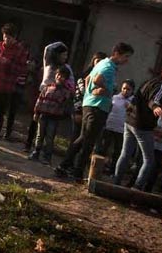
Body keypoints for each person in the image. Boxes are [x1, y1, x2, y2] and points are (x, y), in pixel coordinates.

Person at [56, 42, 134, 181]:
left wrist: (89, 95)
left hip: (91, 105)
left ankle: (68, 167)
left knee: (85, 138)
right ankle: (73, 170)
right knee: (87, 140)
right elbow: (97, 81)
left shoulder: (103, 63)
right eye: (126, 56)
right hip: (97, 107)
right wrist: (103, 91)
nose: (127, 60)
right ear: (117, 54)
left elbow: (87, 79)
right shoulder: (109, 67)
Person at [113, 61, 162, 191]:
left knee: (125, 154)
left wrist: (131, 111)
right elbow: (154, 100)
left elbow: (136, 97)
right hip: (141, 125)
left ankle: (115, 182)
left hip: (130, 121)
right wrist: (156, 107)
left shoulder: (149, 81)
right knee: (149, 159)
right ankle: (137, 187)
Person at [0, 23, 28, 148]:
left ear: (15, 37)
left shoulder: (20, 51)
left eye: (9, 37)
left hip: (6, 87)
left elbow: (22, 69)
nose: (6, 40)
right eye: (5, 36)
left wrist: (8, 63)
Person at [29, 68, 73, 165]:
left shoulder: (66, 92)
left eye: (62, 76)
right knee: (39, 135)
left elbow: (65, 104)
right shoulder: (48, 87)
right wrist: (36, 112)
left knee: (49, 136)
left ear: (66, 79)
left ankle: (47, 156)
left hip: (54, 117)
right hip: (43, 114)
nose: (59, 77)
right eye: (58, 75)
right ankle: (36, 152)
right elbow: (40, 100)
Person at [95, 80, 135, 175]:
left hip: (122, 130)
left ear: (132, 90)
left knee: (117, 151)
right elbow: (108, 109)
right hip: (110, 126)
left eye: (128, 89)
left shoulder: (133, 102)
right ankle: (98, 168)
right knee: (103, 148)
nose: (125, 91)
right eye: (124, 88)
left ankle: (113, 171)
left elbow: (135, 116)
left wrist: (131, 108)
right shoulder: (115, 97)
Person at [71, 52, 107, 144]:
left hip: (95, 113)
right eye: (98, 61)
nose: (99, 64)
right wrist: (78, 112)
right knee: (77, 137)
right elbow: (78, 96)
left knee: (88, 140)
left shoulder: (105, 77)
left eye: (102, 62)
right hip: (81, 110)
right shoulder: (84, 77)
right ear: (93, 62)